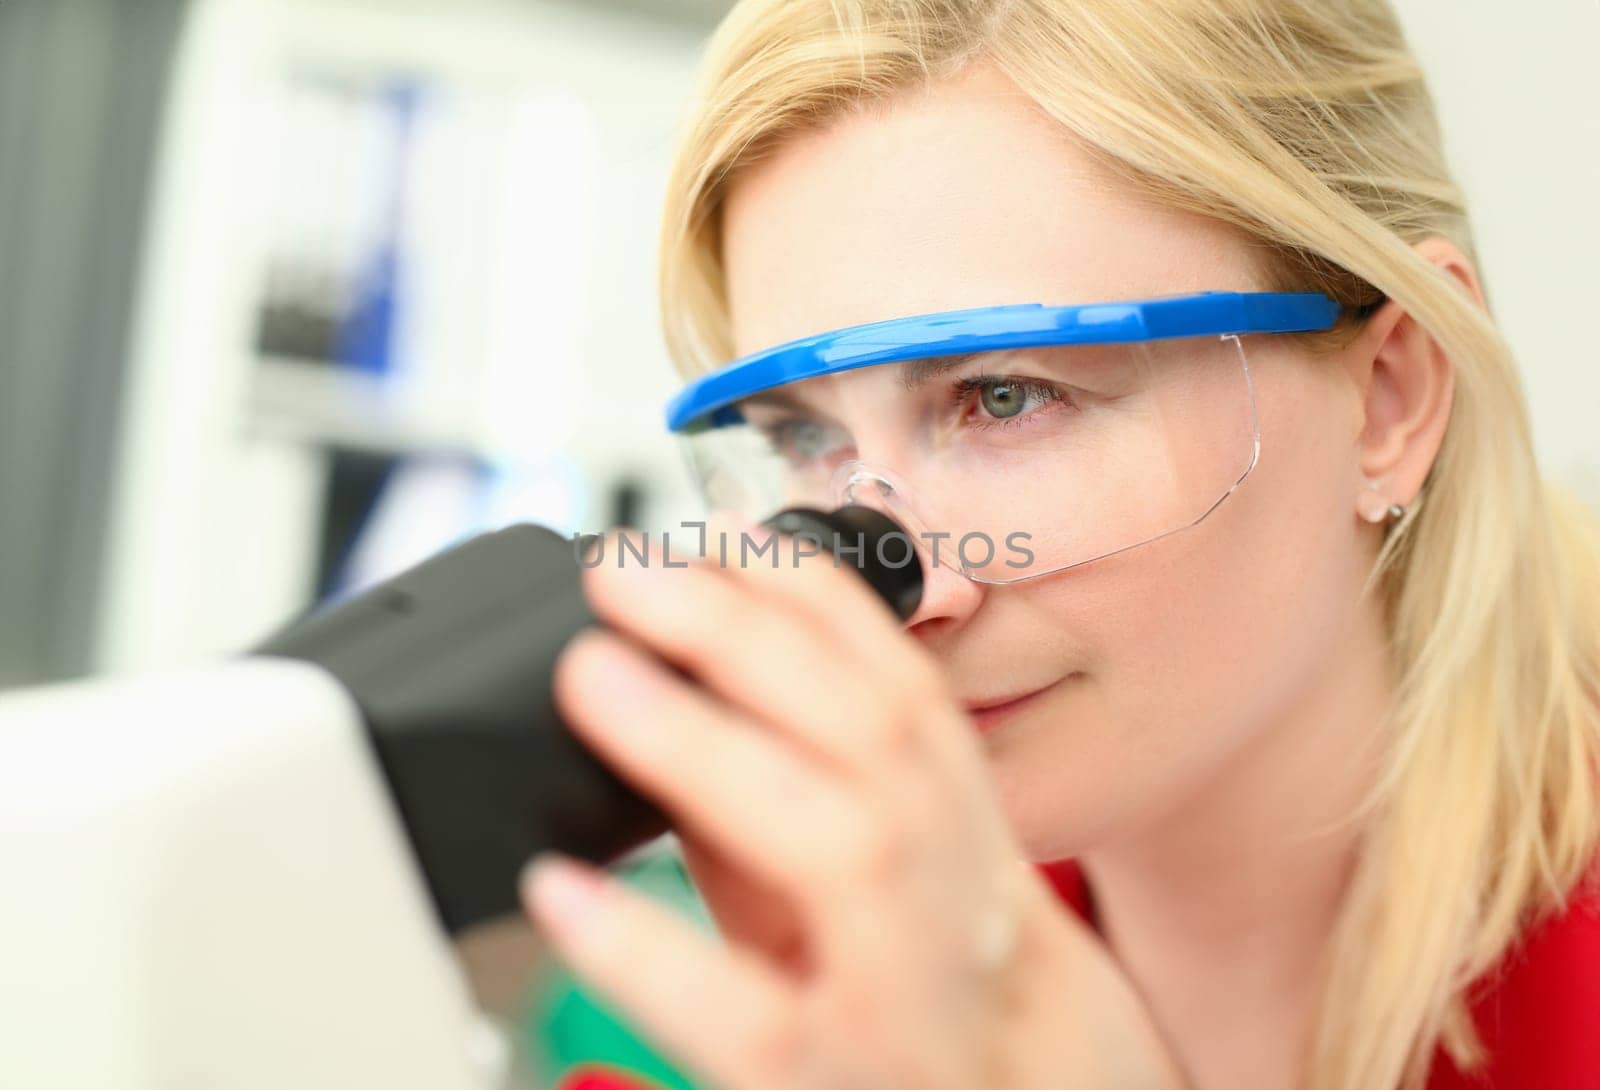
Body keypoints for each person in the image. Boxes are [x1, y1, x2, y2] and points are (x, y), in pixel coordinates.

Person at [518, 2, 1600, 1088]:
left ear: (1387, 398)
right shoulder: (815, 1034)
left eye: (1003, 397)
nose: (898, 586)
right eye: (806, 436)